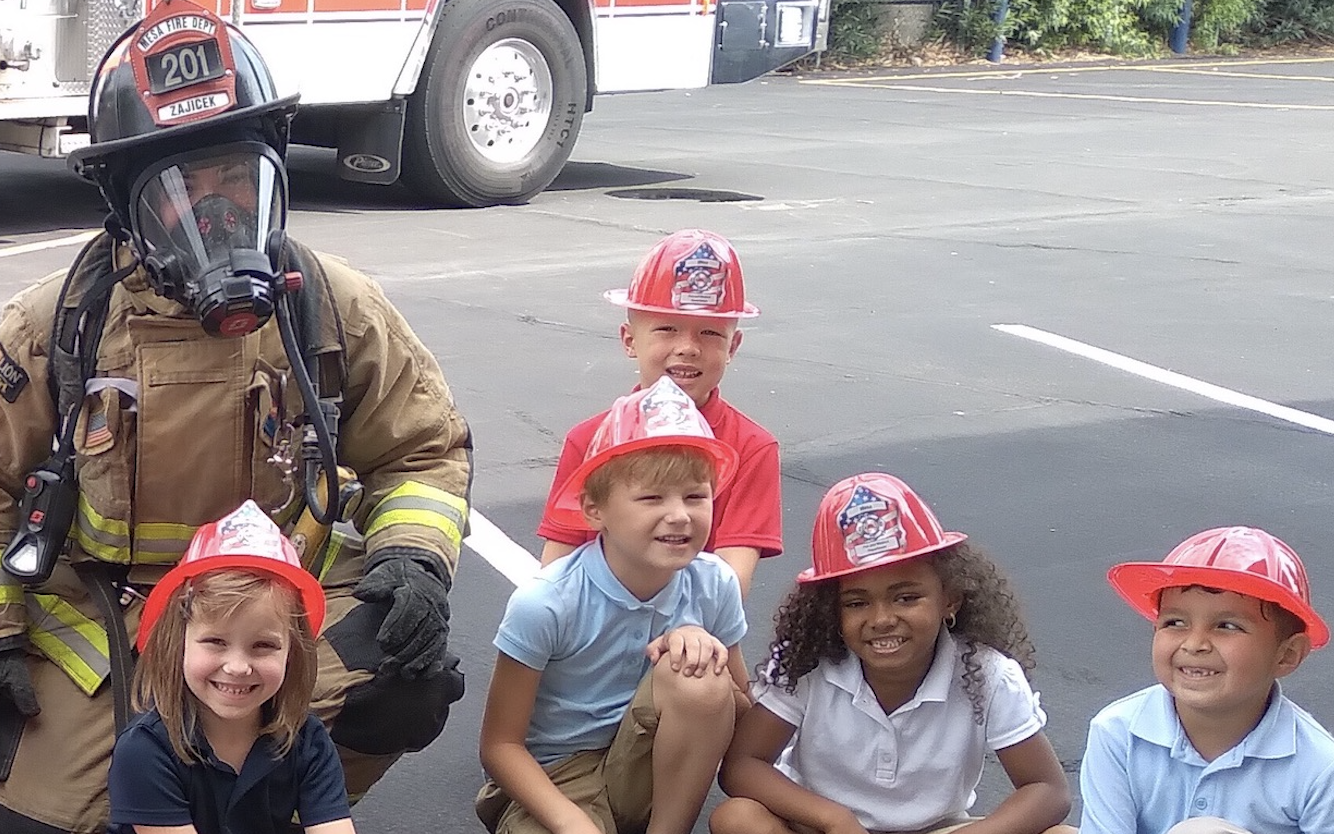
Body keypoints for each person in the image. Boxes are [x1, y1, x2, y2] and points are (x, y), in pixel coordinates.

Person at [0, 3, 472, 832]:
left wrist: (414, 558)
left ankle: (275, 798)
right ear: (126, 203)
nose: (217, 209)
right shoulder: (55, 327)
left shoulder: (333, 308)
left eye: (236, 178)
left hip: (268, 615)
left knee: (408, 679)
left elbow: (422, 451)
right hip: (102, 630)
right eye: (182, 189)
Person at [712, 473, 1075, 834]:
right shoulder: (809, 664)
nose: (882, 619)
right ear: (831, 612)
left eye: (906, 597)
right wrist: (834, 819)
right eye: (856, 603)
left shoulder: (985, 673)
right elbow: (742, 765)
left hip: (938, 829)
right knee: (737, 819)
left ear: (950, 599)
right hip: (824, 826)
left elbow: (1047, 789)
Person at [477, 376, 747, 834]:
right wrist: (569, 822)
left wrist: (704, 651)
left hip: (648, 777)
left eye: (696, 495)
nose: (680, 514)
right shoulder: (547, 602)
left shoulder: (714, 583)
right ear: (593, 510)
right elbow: (500, 746)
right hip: (555, 778)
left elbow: (740, 710)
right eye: (652, 497)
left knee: (698, 679)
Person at [537, 229, 781, 597]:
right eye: (666, 329)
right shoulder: (588, 439)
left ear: (734, 345)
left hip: (693, 641)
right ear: (629, 340)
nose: (687, 348)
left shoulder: (751, 448)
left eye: (711, 333)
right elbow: (554, 570)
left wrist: (689, 633)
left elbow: (731, 583)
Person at [107, 501, 354, 834]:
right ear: (177, 642)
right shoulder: (145, 751)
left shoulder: (306, 740)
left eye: (263, 646)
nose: (238, 667)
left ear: (293, 653)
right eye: (215, 642)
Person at [1078, 526, 1334, 834]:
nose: (1195, 643)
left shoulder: (1320, 766)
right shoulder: (1117, 732)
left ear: (1287, 655)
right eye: (1175, 623)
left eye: (1226, 626)